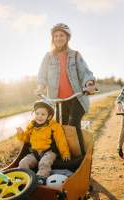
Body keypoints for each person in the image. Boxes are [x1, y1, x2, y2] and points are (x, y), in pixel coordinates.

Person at [37, 23, 96, 155]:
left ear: (67, 38)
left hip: (77, 98)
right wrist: (40, 88)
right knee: (60, 129)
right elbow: (42, 75)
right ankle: (65, 155)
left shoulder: (75, 55)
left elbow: (85, 72)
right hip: (58, 100)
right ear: (53, 38)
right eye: (56, 36)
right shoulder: (48, 56)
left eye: (61, 35)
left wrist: (89, 83)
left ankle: (80, 157)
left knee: (72, 126)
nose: (58, 38)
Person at [16, 99, 71, 184]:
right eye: (37, 113)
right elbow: (26, 139)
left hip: (49, 152)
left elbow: (61, 141)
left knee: (44, 163)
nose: (39, 116)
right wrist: (20, 134)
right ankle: (22, 177)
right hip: (34, 153)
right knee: (23, 162)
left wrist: (65, 153)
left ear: (49, 116)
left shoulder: (54, 126)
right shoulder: (32, 125)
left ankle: (41, 178)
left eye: (43, 114)